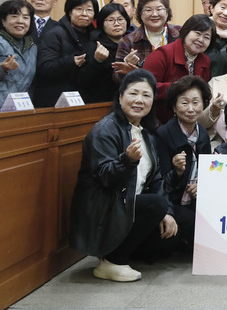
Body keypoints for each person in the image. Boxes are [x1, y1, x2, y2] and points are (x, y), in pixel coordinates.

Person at [70, 70, 179, 282]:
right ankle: (112, 261)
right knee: (155, 205)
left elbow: (156, 179)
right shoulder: (105, 129)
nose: (139, 100)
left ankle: (122, 251)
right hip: (104, 206)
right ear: (120, 97)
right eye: (133, 93)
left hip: (128, 202)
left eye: (146, 95)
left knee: (171, 235)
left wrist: (167, 212)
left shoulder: (146, 132)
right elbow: (105, 177)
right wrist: (127, 161)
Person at [154, 75, 212, 247]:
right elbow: (160, 183)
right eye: (184, 103)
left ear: (204, 104)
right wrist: (178, 172)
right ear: (174, 106)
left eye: (196, 102)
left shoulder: (203, 134)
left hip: (196, 200)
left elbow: (207, 172)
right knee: (198, 226)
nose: (191, 109)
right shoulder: (163, 134)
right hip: (172, 203)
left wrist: (201, 185)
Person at [143, 14, 214, 124]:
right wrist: (177, 88)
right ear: (186, 31)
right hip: (158, 121)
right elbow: (146, 87)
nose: (201, 40)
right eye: (198, 33)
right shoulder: (162, 54)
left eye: (207, 37)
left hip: (189, 121)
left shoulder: (205, 61)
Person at [34, 0, 99, 107]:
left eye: (89, 10)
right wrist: (71, 61)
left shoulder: (95, 36)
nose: (84, 14)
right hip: (55, 101)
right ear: (70, 12)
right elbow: (45, 67)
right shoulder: (55, 34)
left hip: (84, 99)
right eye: (79, 9)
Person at [114, 0, 181, 82]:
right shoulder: (128, 41)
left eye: (159, 9)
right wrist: (126, 67)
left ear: (167, 12)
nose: (154, 14)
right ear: (140, 13)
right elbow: (116, 79)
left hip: (175, 89)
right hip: (143, 89)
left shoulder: (180, 33)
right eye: (148, 10)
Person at [77, 3, 131, 103]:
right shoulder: (94, 45)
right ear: (101, 23)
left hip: (127, 101)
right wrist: (97, 61)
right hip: (99, 102)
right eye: (110, 20)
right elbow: (81, 80)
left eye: (120, 19)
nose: (116, 24)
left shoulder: (131, 43)